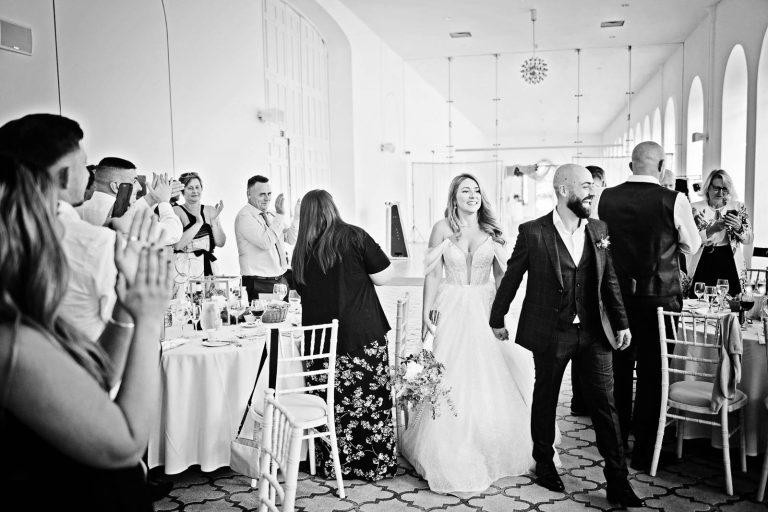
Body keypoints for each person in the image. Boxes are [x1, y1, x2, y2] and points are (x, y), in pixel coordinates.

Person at [0, 153, 173, 510]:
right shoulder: (11, 340)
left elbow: (94, 380)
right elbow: (125, 442)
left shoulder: (27, 317)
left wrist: (127, 309)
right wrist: (149, 318)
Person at [490, 164, 643, 507]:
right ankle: (544, 463)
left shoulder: (600, 228)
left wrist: (621, 323)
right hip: (551, 331)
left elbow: (610, 280)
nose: (592, 192)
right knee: (545, 399)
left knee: (606, 405)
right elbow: (513, 276)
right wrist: (497, 316)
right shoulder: (533, 231)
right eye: (586, 185)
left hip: (593, 332)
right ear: (563, 189)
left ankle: (618, 480)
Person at [401, 173, 543, 494]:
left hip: (484, 304)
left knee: (489, 371)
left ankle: (490, 437)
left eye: (476, 190)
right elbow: (433, 274)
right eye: (466, 190)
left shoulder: (491, 230)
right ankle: (445, 441)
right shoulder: (442, 228)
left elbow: (503, 275)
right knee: (449, 370)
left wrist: (504, 312)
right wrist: (425, 311)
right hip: (450, 304)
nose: (472, 195)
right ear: (454, 196)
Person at [597, 141, 700, 472]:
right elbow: (693, 244)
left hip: (618, 299)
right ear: (661, 166)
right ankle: (645, 451)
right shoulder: (674, 199)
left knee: (620, 370)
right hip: (660, 299)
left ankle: (616, 442)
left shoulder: (606, 197)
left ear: (630, 166)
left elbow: (600, 241)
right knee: (656, 375)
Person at [292, 189, 397, 481]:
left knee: (331, 405)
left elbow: (301, 290)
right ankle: (374, 464)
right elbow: (383, 277)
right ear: (332, 208)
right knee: (370, 400)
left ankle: (336, 464)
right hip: (361, 336)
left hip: (321, 345)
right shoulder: (354, 236)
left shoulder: (300, 250)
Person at [688, 169, 753, 297]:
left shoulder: (738, 207)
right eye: (717, 188)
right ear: (708, 188)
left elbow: (748, 239)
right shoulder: (694, 208)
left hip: (729, 259)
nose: (721, 193)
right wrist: (712, 229)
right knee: (699, 300)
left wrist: (739, 227)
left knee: (732, 300)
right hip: (703, 259)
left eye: (725, 189)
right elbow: (689, 240)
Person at [234, 175, 297, 301]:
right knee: (259, 320)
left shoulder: (272, 214)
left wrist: (297, 217)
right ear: (249, 194)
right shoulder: (245, 216)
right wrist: (280, 215)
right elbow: (266, 242)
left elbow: (291, 239)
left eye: (269, 193)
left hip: (280, 281)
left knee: (286, 319)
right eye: (262, 194)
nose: (267, 198)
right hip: (258, 284)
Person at [172, 172, 225, 293]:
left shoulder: (210, 210)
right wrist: (198, 223)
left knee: (213, 305)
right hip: (185, 268)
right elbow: (178, 245)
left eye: (197, 187)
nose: (195, 191)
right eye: (190, 188)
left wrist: (215, 221)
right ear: (183, 191)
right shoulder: (176, 211)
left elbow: (221, 242)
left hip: (208, 267)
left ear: (202, 188)